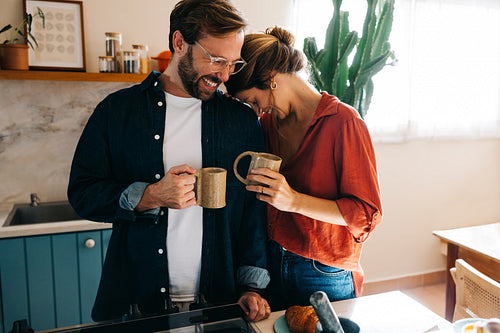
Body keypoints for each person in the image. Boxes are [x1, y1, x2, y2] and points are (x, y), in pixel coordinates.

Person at [67, 0, 271, 322]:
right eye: (216, 60)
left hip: (221, 302)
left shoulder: (243, 122)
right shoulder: (117, 111)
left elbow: (253, 212)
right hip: (138, 303)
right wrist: (150, 196)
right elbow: (82, 194)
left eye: (233, 63)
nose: (225, 75)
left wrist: (252, 286)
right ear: (179, 43)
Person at [225, 27, 383, 310]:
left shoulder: (344, 123)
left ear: (271, 80)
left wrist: (294, 201)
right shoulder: (269, 125)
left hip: (323, 272)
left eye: (253, 100)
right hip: (272, 265)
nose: (257, 111)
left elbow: (365, 215)